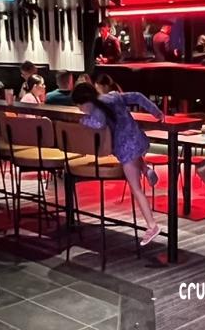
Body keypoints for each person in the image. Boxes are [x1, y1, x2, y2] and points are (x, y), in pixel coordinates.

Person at [71, 80, 165, 245]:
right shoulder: (113, 96)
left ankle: (152, 225)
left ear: (85, 102)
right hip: (138, 139)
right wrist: (156, 112)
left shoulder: (96, 110)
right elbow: (137, 96)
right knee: (135, 162)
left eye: (80, 106)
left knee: (136, 188)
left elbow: (99, 123)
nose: (80, 109)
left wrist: (83, 121)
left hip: (126, 149)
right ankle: (145, 169)